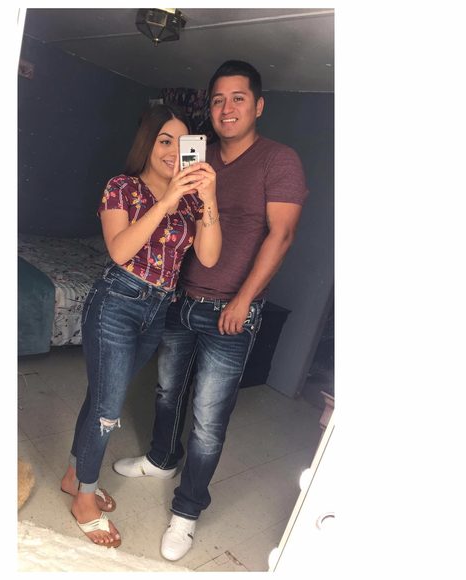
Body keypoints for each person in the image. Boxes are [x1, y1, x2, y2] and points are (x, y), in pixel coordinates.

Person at [113, 60, 309, 561]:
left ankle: (187, 511)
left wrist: (243, 300)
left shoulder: (278, 160)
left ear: (258, 105)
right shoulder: (196, 155)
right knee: (166, 392)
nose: (226, 108)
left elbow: (283, 234)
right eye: (218, 99)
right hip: (180, 299)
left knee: (207, 418)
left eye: (238, 98)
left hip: (231, 310)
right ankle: (161, 459)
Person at [60, 104, 222, 549]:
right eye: (164, 140)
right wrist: (166, 201)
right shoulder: (123, 187)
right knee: (108, 408)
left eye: (183, 143)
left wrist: (208, 197)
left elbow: (209, 257)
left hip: (158, 309)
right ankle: (84, 499)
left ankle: (75, 476)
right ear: (147, 144)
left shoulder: (193, 199)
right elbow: (119, 250)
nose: (173, 151)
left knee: (101, 398)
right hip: (118, 302)